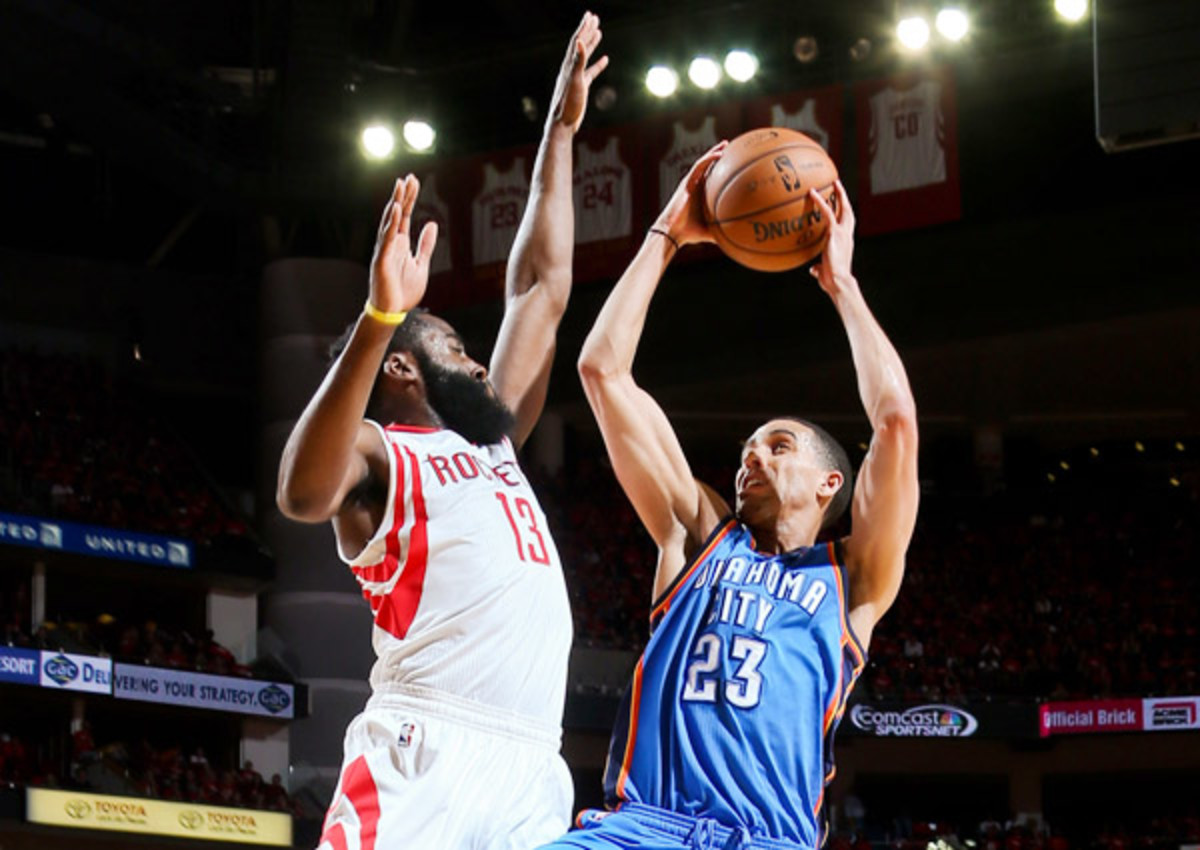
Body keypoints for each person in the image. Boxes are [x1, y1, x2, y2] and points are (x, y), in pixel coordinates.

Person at [275, 13, 608, 849]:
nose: (482, 365)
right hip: (427, 746)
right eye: (457, 350)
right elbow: (301, 495)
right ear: (403, 367)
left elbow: (540, 289)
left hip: (532, 762)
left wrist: (560, 135)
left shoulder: (493, 446)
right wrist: (380, 316)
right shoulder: (380, 452)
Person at [542, 146, 919, 848]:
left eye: (778, 445)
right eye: (747, 446)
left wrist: (842, 285)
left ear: (829, 482)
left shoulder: (854, 579)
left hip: (769, 839)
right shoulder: (699, 536)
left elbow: (895, 419)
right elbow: (601, 369)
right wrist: (666, 235)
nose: (753, 454)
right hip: (642, 829)